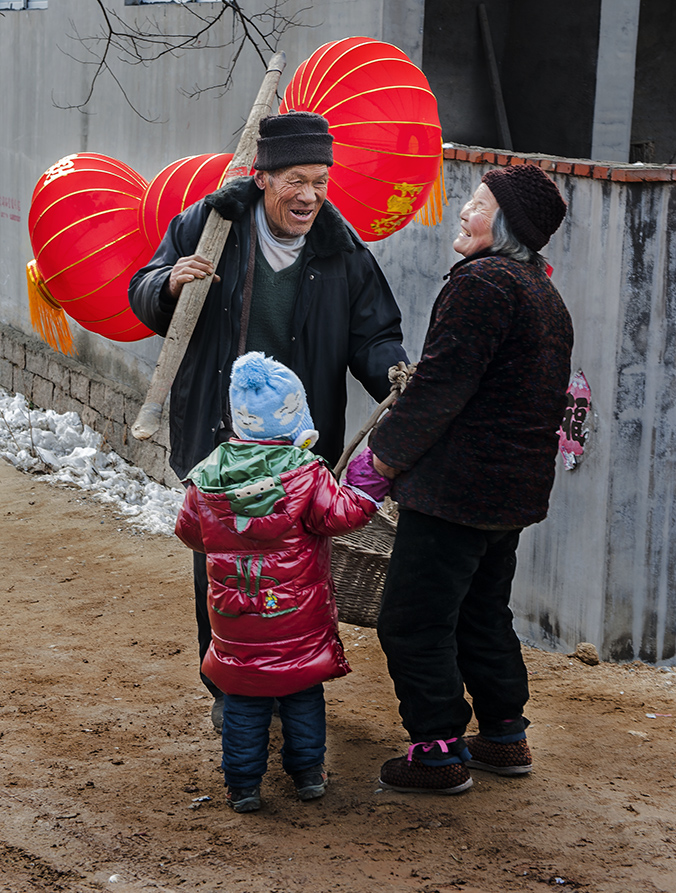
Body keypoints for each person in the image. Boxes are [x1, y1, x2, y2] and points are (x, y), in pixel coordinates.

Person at [129, 111, 408, 728]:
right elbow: (143, 290)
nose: (310, 195)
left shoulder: (341, 251)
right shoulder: (211, 226)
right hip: (220, 439)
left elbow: (375, 335)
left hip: (300, 453)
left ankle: (291, 686)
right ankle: (230, 693)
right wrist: (170, 284)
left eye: (321, 180)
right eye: (296, 180)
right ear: (262, 178)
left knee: (298, 573)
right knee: (225, 571)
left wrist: (396, 376)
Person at [369, 162, 573, 794]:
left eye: (480, 204)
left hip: (456, 494)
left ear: (507, 224)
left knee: (413, 619)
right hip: (507, 495)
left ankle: (437, 753)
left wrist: (382, 457)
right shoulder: (541, 290)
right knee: (482, 611)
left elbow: (439, 385)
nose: (463, 210)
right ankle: (504, 735)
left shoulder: (483, 285)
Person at [174, 352, 391, 812]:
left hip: (235, 616)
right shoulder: (306, 474)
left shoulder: (207, 474)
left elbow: (190, 532)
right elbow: (346, 514)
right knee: (302, 691)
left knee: (244, 698)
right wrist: (369, 479)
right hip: (297, 615)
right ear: (296, 414)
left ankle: (242, 786)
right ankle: (309, 774)